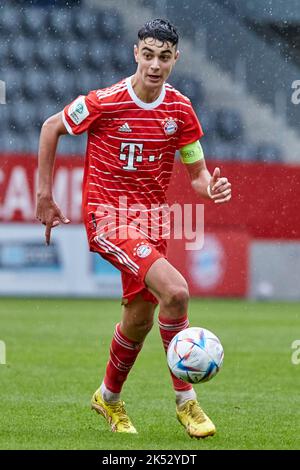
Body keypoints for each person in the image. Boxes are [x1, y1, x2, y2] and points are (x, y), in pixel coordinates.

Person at [36, 19, 231, 438]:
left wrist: (209, 186)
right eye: (148, 55)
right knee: (176, 292)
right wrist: (44, 195)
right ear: (135, 54)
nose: (155, 65)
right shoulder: (105, 101)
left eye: (164, 57)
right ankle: (187, 402)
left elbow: (196, 175)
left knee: (139, 320)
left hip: (152, 222)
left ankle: (107, 398)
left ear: (175, 58)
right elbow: (51, 127)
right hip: (107, 216)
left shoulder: (180, 110)